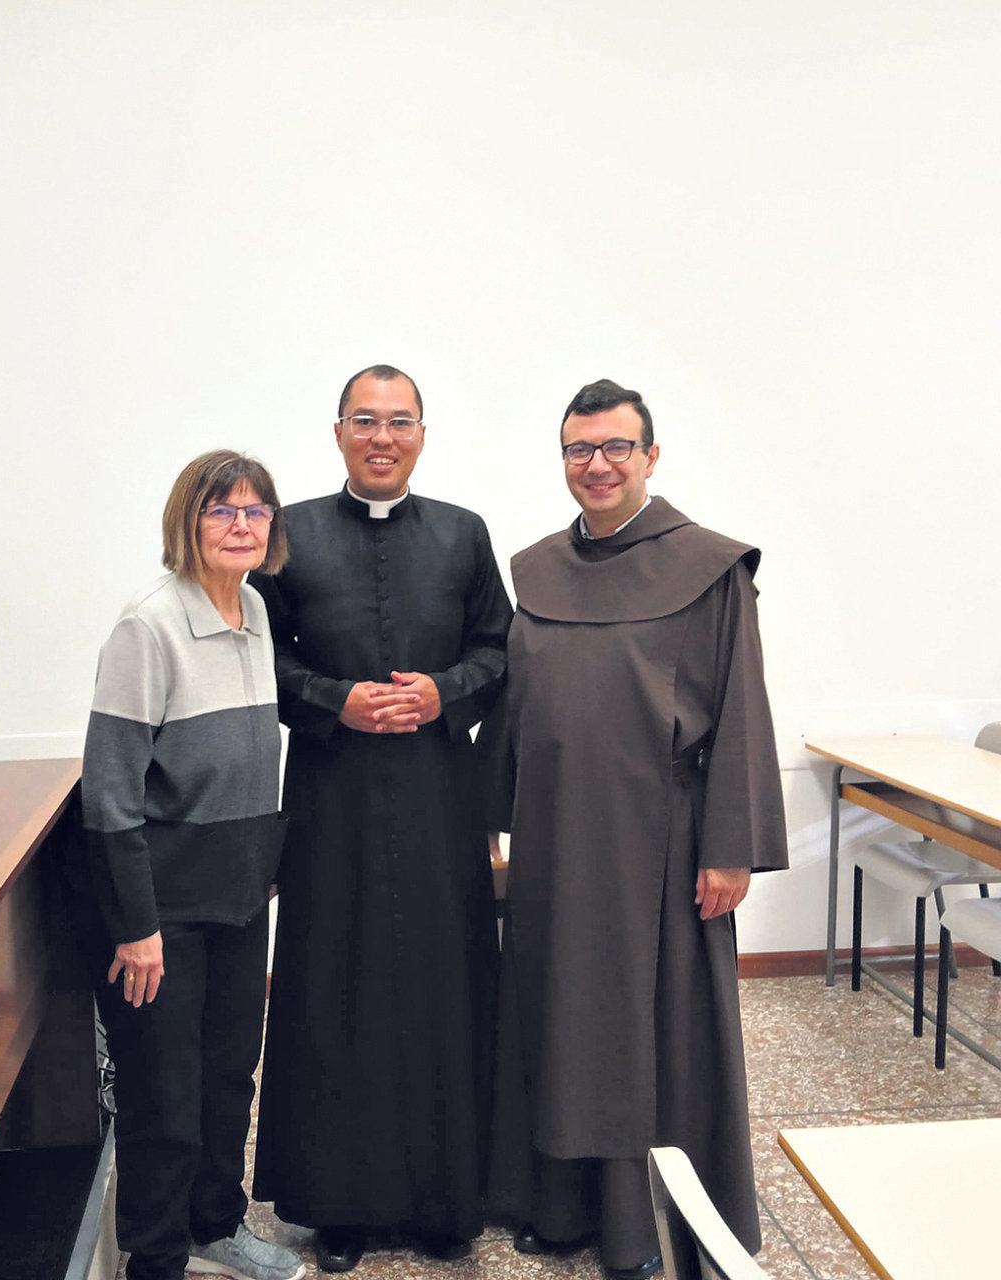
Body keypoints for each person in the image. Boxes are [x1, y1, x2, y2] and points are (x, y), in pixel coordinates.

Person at [484, 379, 789, 1280]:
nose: (598, 464)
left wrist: (730, 846)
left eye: (617, 447)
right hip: (553, 836)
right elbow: (514, 702)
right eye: (580, 449)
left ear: (651, 457)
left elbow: (741, 707)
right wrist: (489, 819)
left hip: (664, 840)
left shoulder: (710, 566)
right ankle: (560, 1205)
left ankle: (647, 1224)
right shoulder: (536, 569)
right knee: (557, 1017)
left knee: (651, 1032)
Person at [250, 364, 513, 1272]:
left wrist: (444, 692)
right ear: (338, 433)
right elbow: (262, 663)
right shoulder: (291, 538)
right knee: (335, 987)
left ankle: (449, 1199)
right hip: (333, 799)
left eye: (400, 421)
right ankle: (339, 1208)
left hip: (442, 797)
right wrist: (335, 701)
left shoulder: (463, 534)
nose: (383, 436)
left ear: (423, 436)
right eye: (366, 420)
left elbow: (500, 651)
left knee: (445, 984)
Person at [75, 450, 304, 1280]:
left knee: (226, 1079)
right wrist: (136, 928)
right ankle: (158, 1257)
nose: (242, 525)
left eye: (255, 512)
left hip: (241, 901)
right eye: (222, 511)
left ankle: (216, 1222)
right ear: (188, 521)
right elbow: (110, 794)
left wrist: (266, 862)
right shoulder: (149, 626)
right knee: (162, 1099)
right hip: (162, 914)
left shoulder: (253, 611)